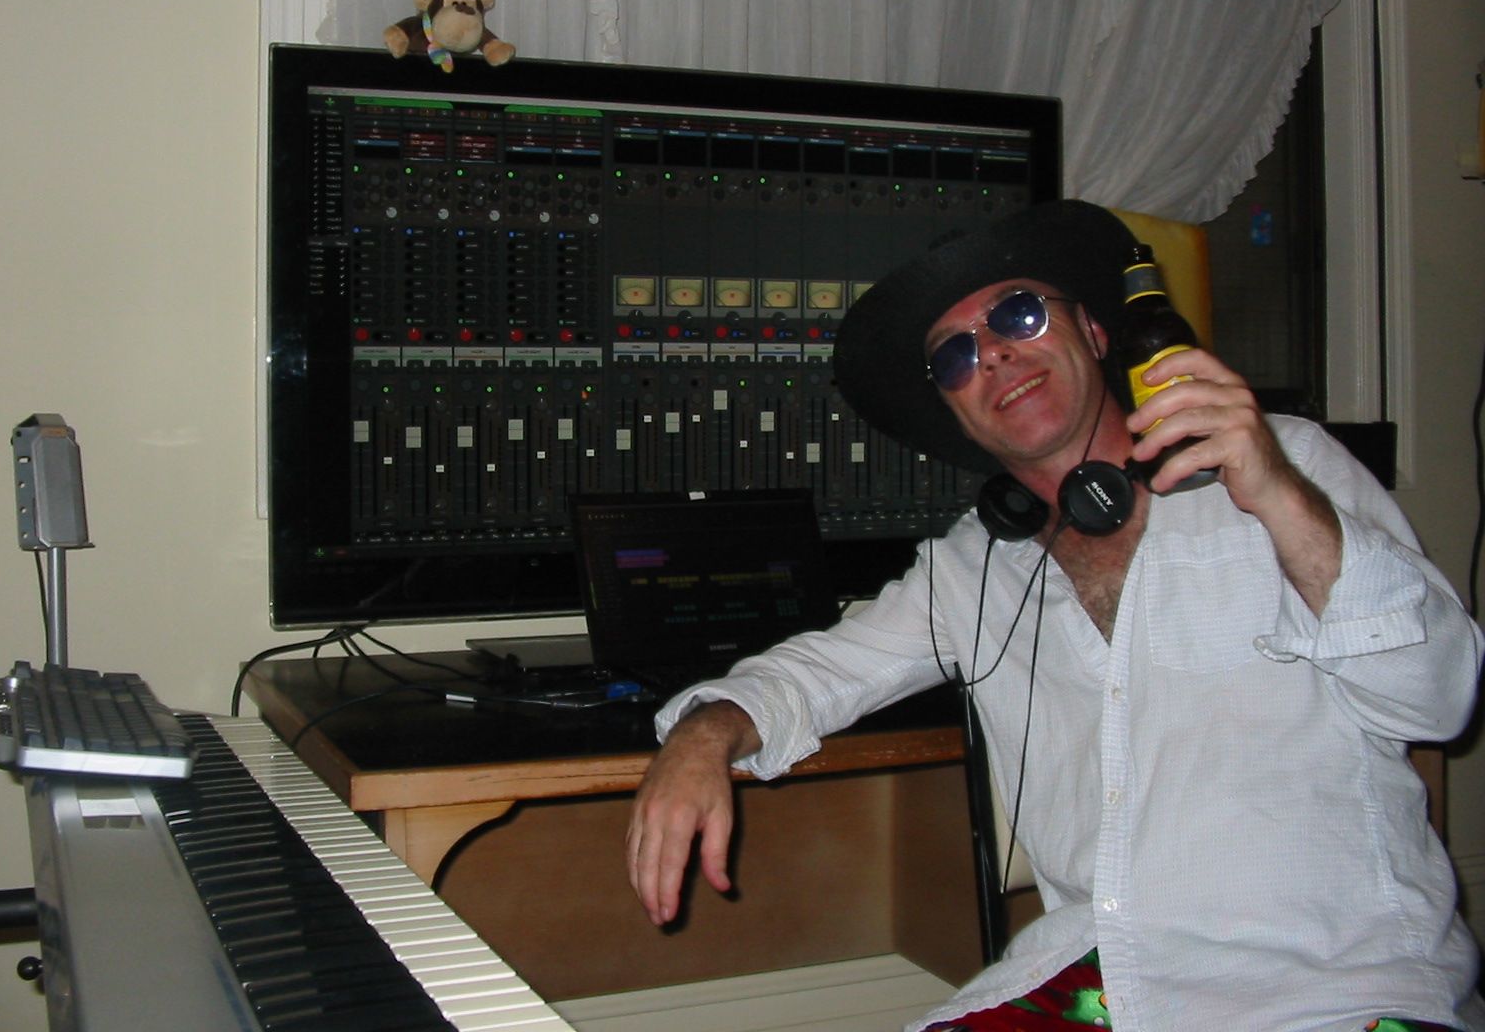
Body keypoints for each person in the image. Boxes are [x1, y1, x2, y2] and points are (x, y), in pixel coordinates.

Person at [624, 200, 1485, 1031]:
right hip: (1109, 984)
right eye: (955, 356)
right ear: (953, 407)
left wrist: (1277, 494)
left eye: (1019, 314)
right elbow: (819, 673)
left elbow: (1437, 697)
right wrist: (704, 734)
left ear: (1096, 333)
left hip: (1341, 988)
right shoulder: (971, 568)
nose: (992, 354)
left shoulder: (1287, 463)